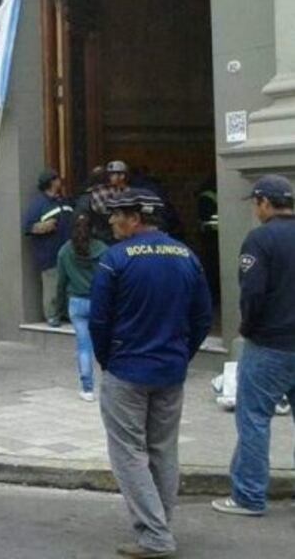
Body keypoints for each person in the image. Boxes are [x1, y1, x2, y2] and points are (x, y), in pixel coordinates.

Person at [90, 188, 212, 559]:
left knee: (128, 453)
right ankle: (160, 523)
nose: (111, 221)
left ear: (136, 217)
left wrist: (108, 361)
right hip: (170, 371)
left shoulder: (115, 259)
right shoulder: (187, 256)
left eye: (117, 215)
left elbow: (99, 320)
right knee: (163, 449)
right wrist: (180, 356)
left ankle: (156, 535)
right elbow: (203, 318)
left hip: (127, 371)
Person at [212, 174, 295, 517]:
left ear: (263, 202)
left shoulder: (260, 240)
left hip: (270, 345)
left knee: (254, 419)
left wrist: (247, 328)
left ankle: (248, 496)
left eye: (256, 203)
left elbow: (253, 293)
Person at [56, 213, 108, 401]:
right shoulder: (102, 250)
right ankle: (111, 384)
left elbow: (60, 283)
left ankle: (87, 389)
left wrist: (56, 313)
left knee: (84, 347)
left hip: (76, 303)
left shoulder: (64, 251)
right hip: (100, 302)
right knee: (106, 344)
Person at [23, 168, 74, 326]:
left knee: (67, 284)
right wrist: (43, 226)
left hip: (68, 251)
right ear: (51, 182)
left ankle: (66, 312)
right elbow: (28, 227)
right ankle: (52, 315)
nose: (60, 181)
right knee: (52, 286)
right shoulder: (38, 204)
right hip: (49, 252)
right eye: (57, 178)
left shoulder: (63, 201)